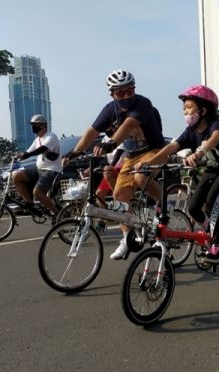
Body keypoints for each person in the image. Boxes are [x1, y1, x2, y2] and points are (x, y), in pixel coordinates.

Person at [66, 69, 166, 260]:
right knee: (119, 196)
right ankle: (127, 237)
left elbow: (128, 125)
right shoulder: (109, 109)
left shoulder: (142, 103)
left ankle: (162, 202)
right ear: (112, 94)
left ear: (134, 89)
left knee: (140, 176)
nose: (126, 96)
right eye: (120, 93)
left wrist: (111, 143)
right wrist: (75, 152)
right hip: (131, 157)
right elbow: (92, 132)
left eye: (129, 91)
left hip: (154, 152)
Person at [134, 84, 219, 259]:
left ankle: (218, 244)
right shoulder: (190, 132)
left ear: (203, 110)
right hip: (212, 170)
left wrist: (198, 153)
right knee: (193, 208)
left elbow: (215, 138)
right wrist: (148, 162)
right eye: (184, 109)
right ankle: (210, 232)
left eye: (189, 107)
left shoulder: (213, 125)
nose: (185, 112)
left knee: (213, 199)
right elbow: (171, 148)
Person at [13, 114, 62, 221]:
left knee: (37, 192)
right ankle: (30, 205)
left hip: (52, 171)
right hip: (39, 170)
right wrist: (19, 156)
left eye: (35, 125)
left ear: (42, 126)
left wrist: (28, 155)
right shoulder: (37, 139)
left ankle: (57, 214)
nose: (33, 128)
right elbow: (29, 151)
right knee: (17, 176)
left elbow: (42, 149)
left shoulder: (51, 136)